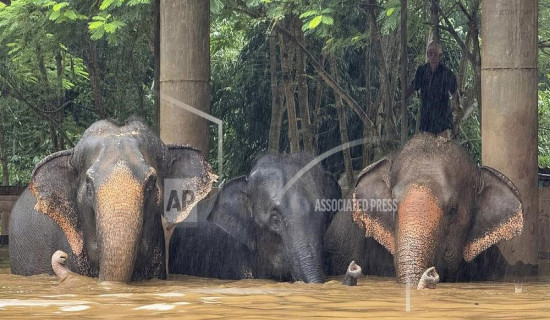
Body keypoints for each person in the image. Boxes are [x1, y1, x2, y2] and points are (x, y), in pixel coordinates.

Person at [407, 41, 460, 138]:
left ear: (440, 56)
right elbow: (413, 87)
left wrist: (455, 109)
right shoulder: (422, 71)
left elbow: (455, 93)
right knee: (428, 147)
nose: (432, 57)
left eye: (435, 54)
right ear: (427, 55)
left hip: (443, 117)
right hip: (427, 117)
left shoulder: (447, 73)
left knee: (444, 147)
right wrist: (403, 98)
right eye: (430, 54)